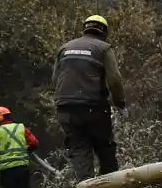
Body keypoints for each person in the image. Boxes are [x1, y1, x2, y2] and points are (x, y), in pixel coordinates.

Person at [52, 14, 125, 179]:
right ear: (104, 31)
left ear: (85, 28)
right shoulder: (104, 48)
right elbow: (115, 80)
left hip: (65, 108)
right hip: (94, 107)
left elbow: (55, 79)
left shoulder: (64, 48)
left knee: (79, 150)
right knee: (104, 147)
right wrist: (120, 102)